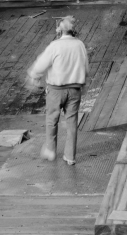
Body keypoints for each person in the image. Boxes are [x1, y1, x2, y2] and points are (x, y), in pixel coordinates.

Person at [27, 15, 88, 165]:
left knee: (52, 120)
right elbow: (86, 67)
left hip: (56, 90)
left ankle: (51, 150)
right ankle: (70, 156)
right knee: (72, 122)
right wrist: (83, 84)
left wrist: (33, 75)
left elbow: (41, 65)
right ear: (74, 30)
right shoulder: (80, 44)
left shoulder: (55, 46)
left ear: (59, 30)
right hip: (75, 89)